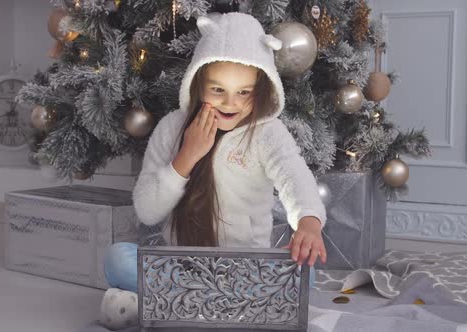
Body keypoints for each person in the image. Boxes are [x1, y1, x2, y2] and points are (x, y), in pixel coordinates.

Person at [103, 12, 327, 294]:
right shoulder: (171, 127)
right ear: (198, 84)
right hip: (182, 266)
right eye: (218, 89)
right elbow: (147, 211)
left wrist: (308, 221)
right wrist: (186, 156)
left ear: (260, 90)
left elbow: (295, 178)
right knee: (118, 259)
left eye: (244, 92)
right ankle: (209, 299)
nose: (230, 103)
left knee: (305, 272)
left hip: (245, 268)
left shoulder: (268, 133)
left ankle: (192, 300)